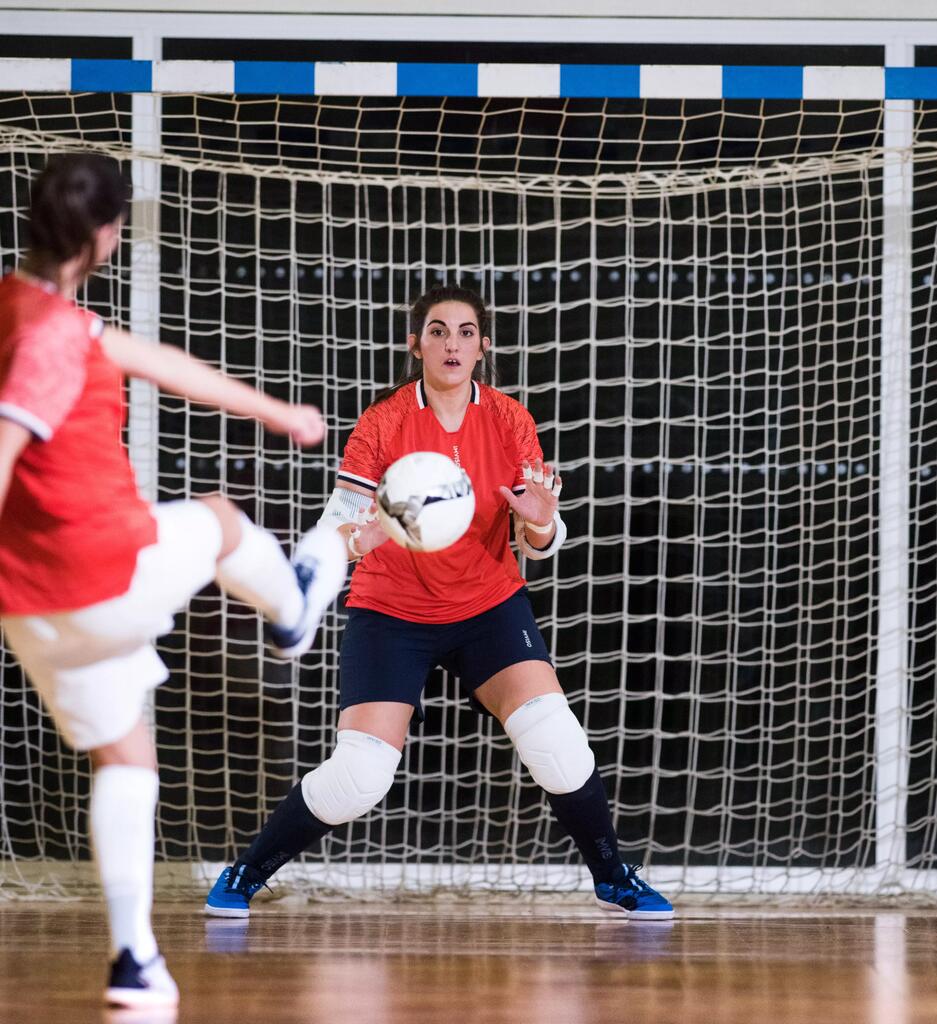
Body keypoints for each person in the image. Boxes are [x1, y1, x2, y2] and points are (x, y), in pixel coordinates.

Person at [205, 283, 673, 922]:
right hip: (392, 610)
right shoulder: (382, 423)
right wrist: (359, 536)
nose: (451, 343)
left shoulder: (510, 421)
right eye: (437, 330)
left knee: (557, 743)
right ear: (415, 343)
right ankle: (245, 873)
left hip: (487, 604)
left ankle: (615, 877)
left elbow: (541, 539)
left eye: (464, 332)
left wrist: (541, 520)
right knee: (360, 778)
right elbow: (334, 528)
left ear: (483, 346)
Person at [0, 153, 347, 1009]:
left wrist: (274, 412)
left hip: (34, 608)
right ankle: (294, 608)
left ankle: (135, 962)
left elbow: (147, 358)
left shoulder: (24, 306)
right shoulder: (47, 342)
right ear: (109, 234)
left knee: (125, 754)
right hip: (103, 574)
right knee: (224, 521)